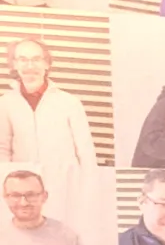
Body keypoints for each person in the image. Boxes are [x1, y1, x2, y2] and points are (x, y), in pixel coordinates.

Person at [0, 38, 97, 167]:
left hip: (65, 183)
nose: (30, 66)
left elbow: (86, 152)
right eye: (23, 60)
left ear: (46, 63)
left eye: (36, 59)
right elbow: (3, 150)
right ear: (14, 64)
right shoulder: (5, 104)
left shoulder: (70, 103)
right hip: (26, 183)